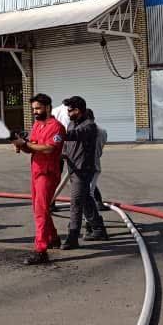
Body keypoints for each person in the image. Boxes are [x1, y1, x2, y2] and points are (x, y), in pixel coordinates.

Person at [11, 93, 65, 265]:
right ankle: (54, 237)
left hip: (48, 174)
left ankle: (41, 251)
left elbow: (48, 149)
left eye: (38, 108)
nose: (35, 111)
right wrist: (19, 143)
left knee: (40, 211)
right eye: (33, 108)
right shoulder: (36, 125)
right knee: (38, 209)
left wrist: (25, 144)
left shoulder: (56, 127)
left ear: (48, 107)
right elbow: (31, 149)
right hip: (36, 172)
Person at [60, 96, 107, 249]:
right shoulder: (71, 124)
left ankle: (72, 237)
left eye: (70, 110)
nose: (67, 113)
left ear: (78, 110)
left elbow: (74, 136)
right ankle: (98, 229)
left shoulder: (89, 126)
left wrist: (53, 132)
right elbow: (67, 145)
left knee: (76, 203)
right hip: (73, 169)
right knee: (86, 199)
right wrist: (62, 153)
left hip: (83, 171)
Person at [86, 108, 108, 213]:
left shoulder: (82, 131)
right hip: (95, 165)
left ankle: (91, 221)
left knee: (86, 193)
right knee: (89, 188)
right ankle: (98, 203)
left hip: (84, 167)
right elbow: (100, 151)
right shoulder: (103, 132)